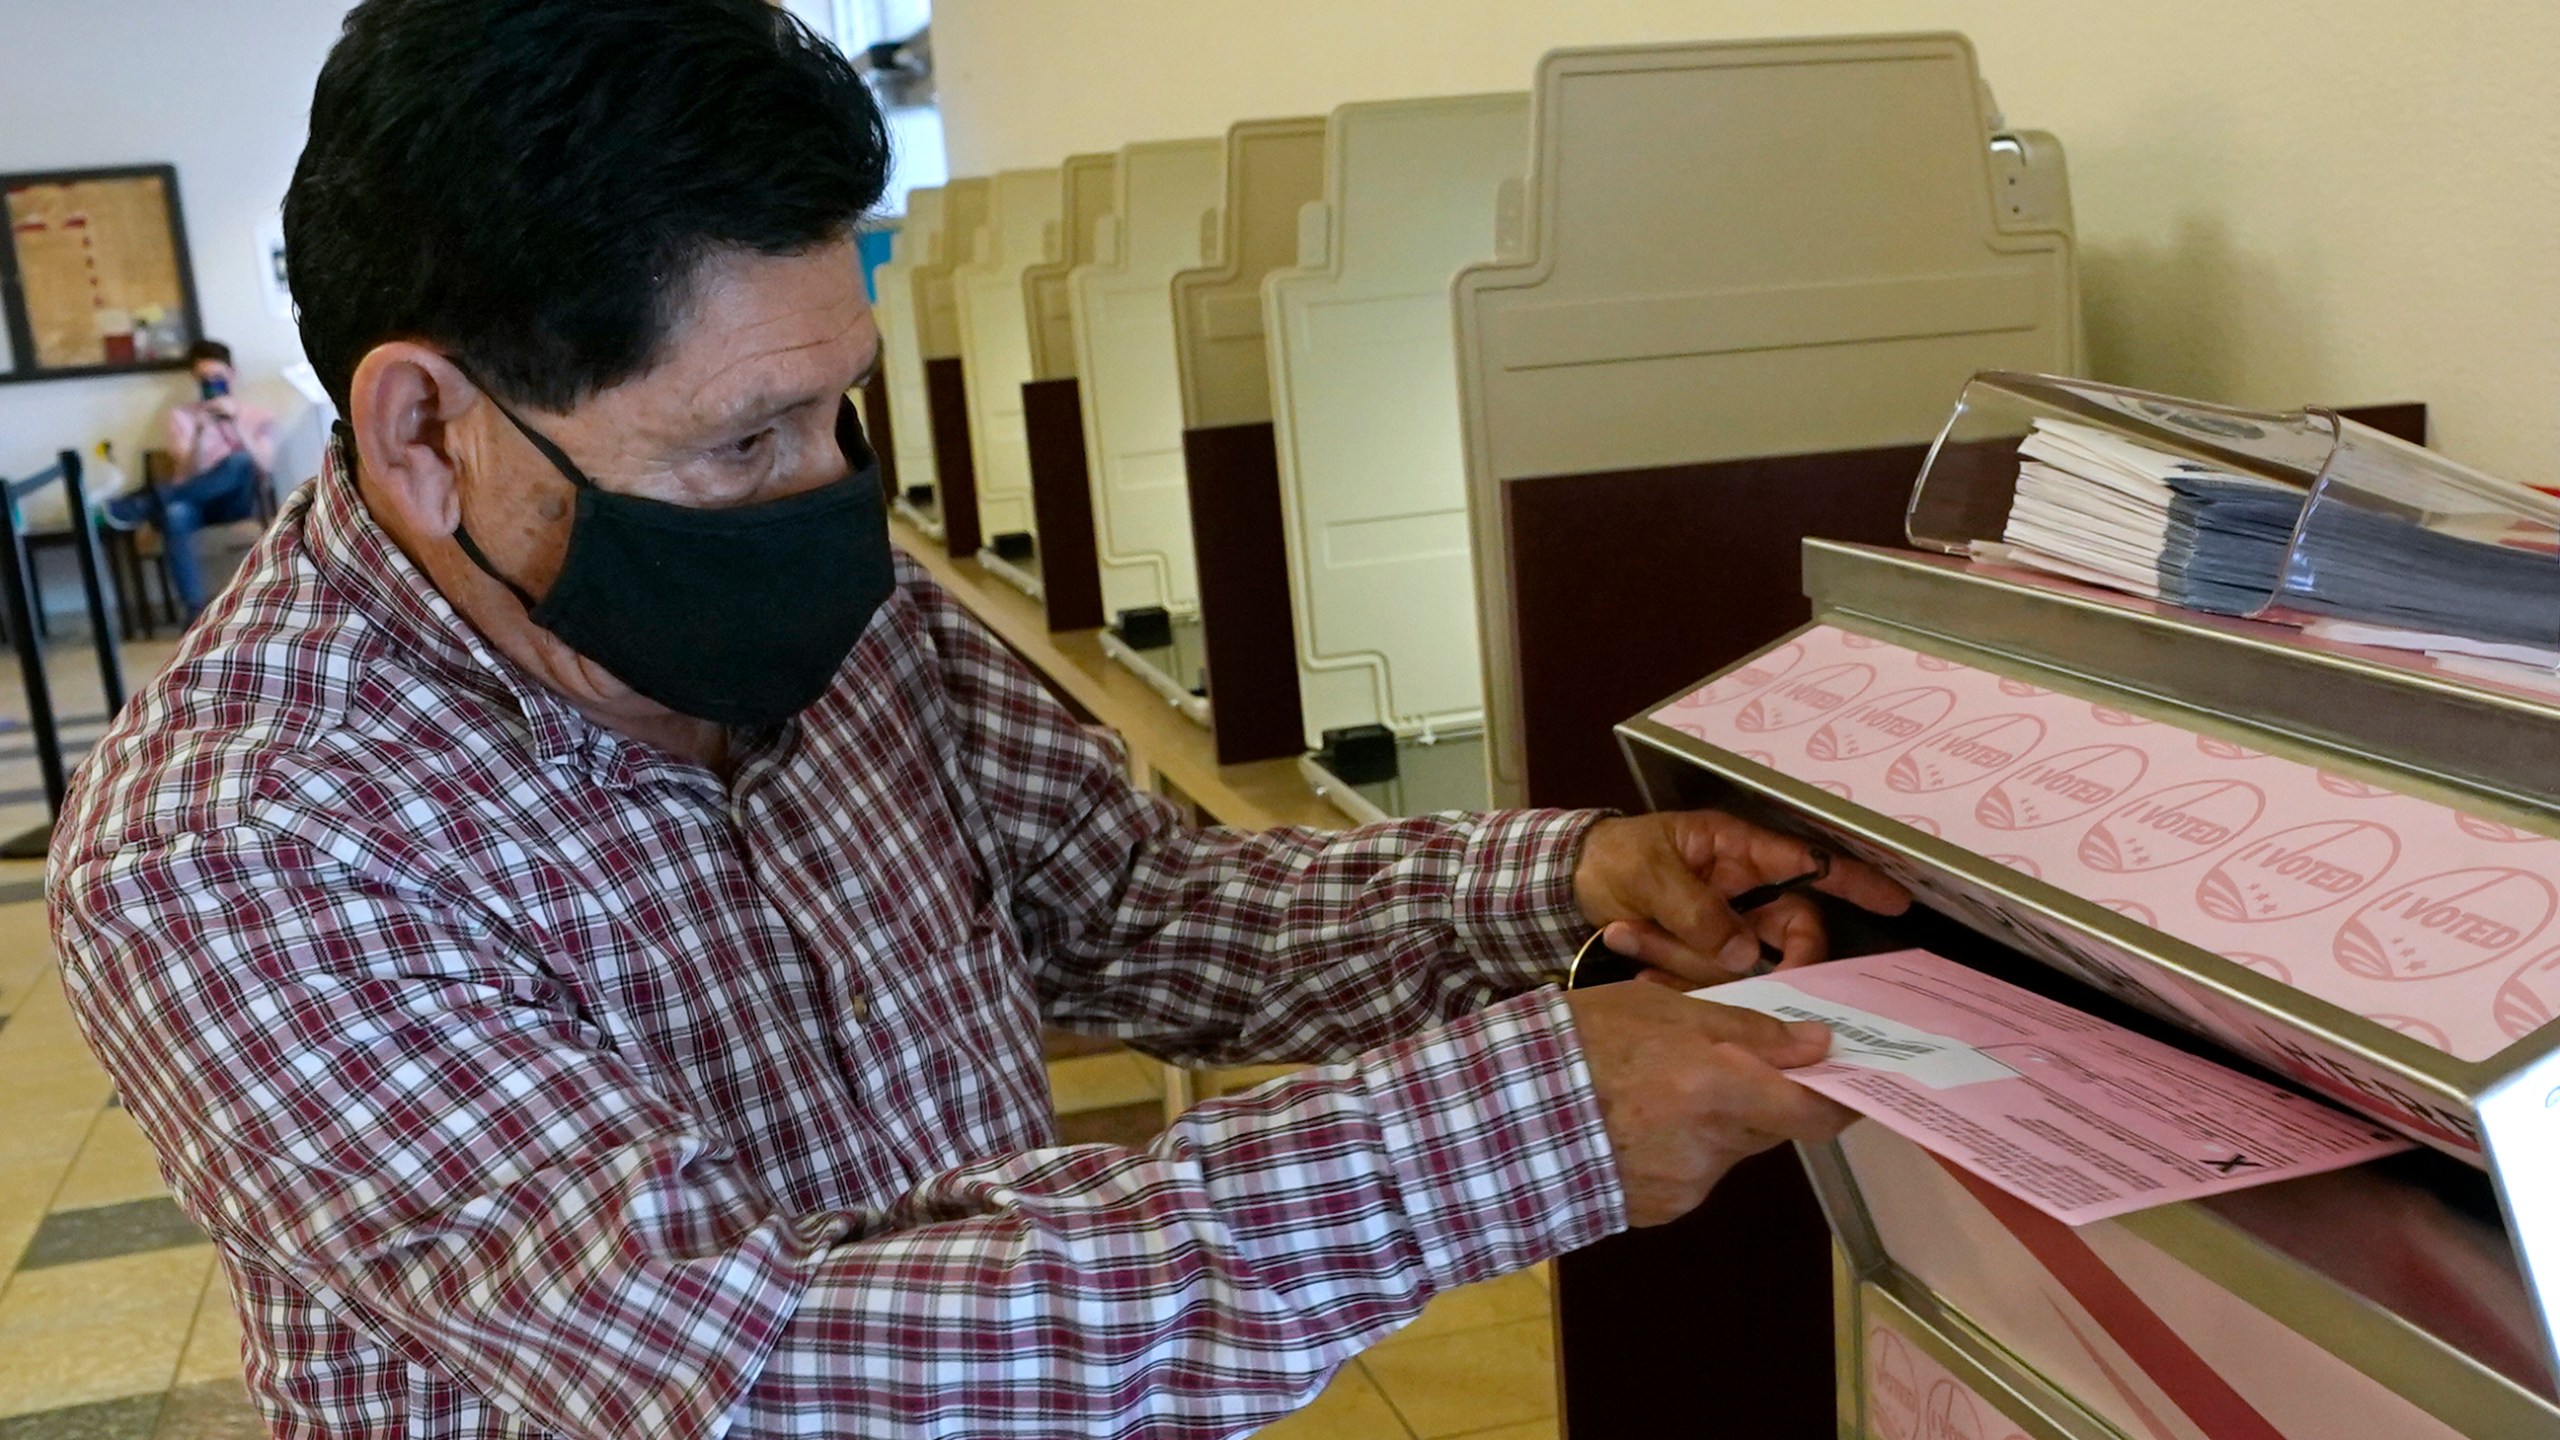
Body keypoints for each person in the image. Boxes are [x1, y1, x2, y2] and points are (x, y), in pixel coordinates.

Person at [45, 3, 1910, 1437]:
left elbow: (1135, 905)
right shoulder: (245, 845)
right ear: (424, 436)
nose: (821, 491)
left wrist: (1567, 880)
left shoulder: (816, 596)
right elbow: (748, 1372)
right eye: (737, 443)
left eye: (833, 409)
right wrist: (1500, 1134)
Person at [101, 338, 277, 618]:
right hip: (194, 499)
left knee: (240, 461)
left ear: (233, 373)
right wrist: (199, 431)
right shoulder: (181, 417)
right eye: (204, 379)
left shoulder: (257, 416)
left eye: (218, 377)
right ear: (195, 380)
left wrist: (236, 424)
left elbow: (264, 467)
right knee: (174, 513)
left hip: (235, 503)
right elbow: (186, 473)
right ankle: (194, 611)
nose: (212, 383)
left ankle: (145, 503)